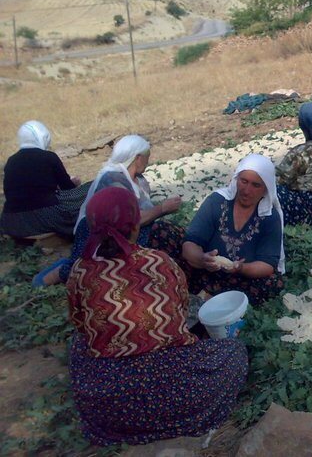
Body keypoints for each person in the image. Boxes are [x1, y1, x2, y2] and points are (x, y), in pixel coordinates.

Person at [67, 187, 248, 446]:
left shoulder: (80, 271)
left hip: (112, 401)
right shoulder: (159, 263)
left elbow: (80, 324)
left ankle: (123, 429)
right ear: (134, 224)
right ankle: (183, 423)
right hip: (174, 390)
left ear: (91, 225)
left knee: (76, 346)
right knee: (233, 353)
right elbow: (180, 319)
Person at [59, 134, 185, 283]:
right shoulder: (112, 180)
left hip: (132, 230)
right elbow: (126, 219)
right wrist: (162, 208)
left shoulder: (140, 181)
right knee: (82, 269)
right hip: (104, 233)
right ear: (138, 158)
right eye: (147, 156)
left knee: (171, 233)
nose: (148, 161)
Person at [183, 154, 285, 304]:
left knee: (273, 283)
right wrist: (202, 259)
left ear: (265, 190)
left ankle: (212, 298)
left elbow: (267, 265)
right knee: (167, 238)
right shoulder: (217, 202)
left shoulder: (269, 218)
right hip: (205, 271)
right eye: (244, 181)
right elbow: (190, 244)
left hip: (241, 280)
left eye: (256, 185)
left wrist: (241, 268)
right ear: (236, 179)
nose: (247, 190)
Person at [1, 121, 90, 239]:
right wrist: (74, 183)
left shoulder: (11, 161)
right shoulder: (49, 157)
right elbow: (68, 188)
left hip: (12, 221)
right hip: (45, 217)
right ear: (42, 137)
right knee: (91, 186)